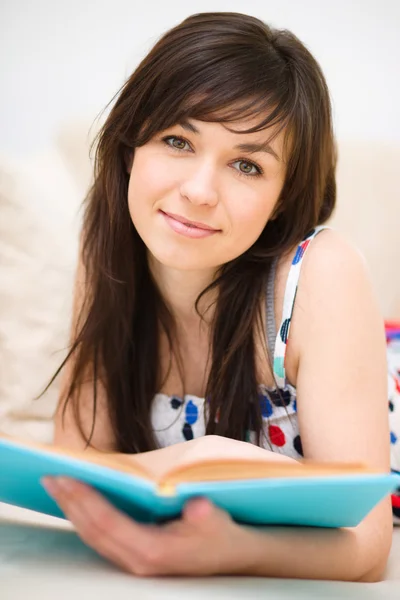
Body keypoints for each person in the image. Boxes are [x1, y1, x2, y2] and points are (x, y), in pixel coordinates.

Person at [41, 12, 397, 581]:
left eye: (246, 165)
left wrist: (232, 545)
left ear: (283, 198)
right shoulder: (109, 251)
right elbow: (71, 467)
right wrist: (193, 459)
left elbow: (369, 542)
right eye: (178, 140)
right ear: (132, 145)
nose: (199, 191)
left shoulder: (323, 274)